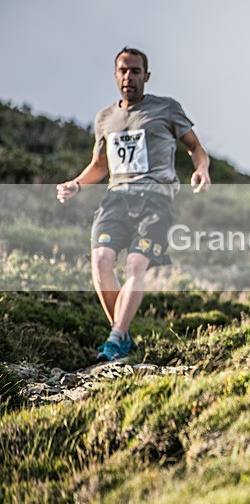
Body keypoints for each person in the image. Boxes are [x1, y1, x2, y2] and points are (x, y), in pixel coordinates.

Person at [56, 47, 211, 361]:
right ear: (115, 74)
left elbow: (195, 148)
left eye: (135, 71)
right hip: (116, 199)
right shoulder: (104, 119)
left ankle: (115, 338)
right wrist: (76, 184)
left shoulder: (167, 109)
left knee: (135, 265)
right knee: (100, 262)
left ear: (146, 76)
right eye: (123, 70)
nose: (128, 77)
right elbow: (99, 166)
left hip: (155, 201)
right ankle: (122, 333)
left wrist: (202, 170)